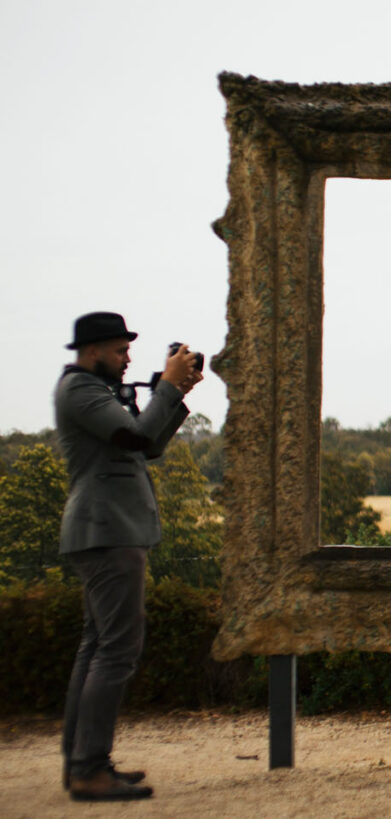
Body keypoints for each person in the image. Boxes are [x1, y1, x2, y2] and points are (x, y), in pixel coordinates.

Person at [55, 312, 202, 801]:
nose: (127, 359)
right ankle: (89, 768)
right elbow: (136, 437)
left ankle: (81, 762)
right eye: (120, 351)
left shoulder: (90, 390)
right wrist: (166, 386)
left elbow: (147, 447)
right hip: (108, 532)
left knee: (97, 646)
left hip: (106, 532)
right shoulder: (80, 390)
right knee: (116, 650)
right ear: (93, 350)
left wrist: (174, 391)